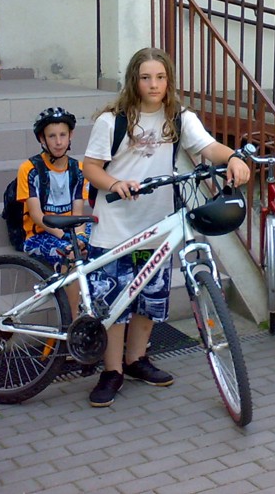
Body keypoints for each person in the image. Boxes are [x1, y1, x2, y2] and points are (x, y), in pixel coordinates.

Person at [81, 47, 250, 407]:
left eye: (160, 77)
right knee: (114, 302)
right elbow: (90, 167)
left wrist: (234, 157)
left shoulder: (178, 117)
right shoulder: (112, 121)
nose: (153, 84)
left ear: (169, 80)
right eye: (146, 77)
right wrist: (115, 183)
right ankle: (112, 371)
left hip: (157, 225)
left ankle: (136, 360)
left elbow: (208, 147)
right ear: (134, 81)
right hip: (114, 225)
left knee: (150, 296)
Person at [17, 106, 88, 318]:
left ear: (71, 135)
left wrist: (80, 236)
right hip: (41, 234)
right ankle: (72, 321)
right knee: (72, 254)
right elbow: (37, 216)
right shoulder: (30, 169)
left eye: (63, 135)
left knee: (106, 244)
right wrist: (67, 238)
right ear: (42, 139)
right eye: (52, 136)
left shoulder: (78, 169)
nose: (58, 142)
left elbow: (78, 212)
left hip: (71, 229)